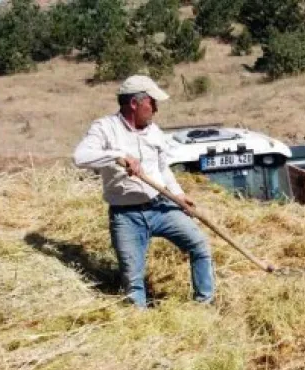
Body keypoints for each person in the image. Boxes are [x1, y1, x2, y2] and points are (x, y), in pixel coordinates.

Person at [73, 74, 214, 307]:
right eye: (152, 102)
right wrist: (117, 156)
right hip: (126, 216)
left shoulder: (154, 131)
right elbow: (80, 157)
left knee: (200, 246)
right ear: (134, 104)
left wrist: (178, 195)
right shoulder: (105, 128)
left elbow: (162, 168)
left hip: (161, 206)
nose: (156, 109)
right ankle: (140, 322)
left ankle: (204, 304)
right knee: (132, 278)